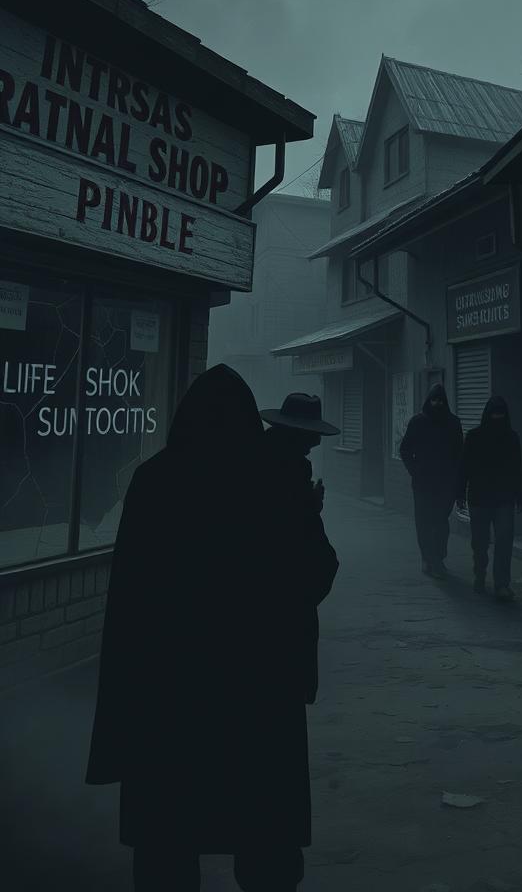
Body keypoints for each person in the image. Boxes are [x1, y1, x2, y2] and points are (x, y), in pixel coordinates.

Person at [85, 369, 339, 892]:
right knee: (264, 839)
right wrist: (309, 516)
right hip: (259, 695)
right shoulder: (275, 480)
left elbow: (130, 599)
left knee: (166, 845)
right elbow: (313, 577)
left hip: (166, 699)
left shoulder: (154, 480)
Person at [456, 394, 522, 602]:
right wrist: (459, 493)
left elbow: (517, 469)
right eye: (494, 414)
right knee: (480, 542)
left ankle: (502, 583)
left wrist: (520, 494)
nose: (497, 417)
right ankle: (480, 573)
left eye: (500, 414)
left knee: (504, 541)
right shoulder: (474, 437)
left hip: (503, 498)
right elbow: (464, 468)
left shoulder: (511, 438)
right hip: (479, 498)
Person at [399, 382, 463, 578]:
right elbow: (405, 449)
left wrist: (457, 481)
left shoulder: (453, 423)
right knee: (424, 522)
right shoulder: (417, 422)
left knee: (441, 522)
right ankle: (429, 559)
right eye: (434, 400)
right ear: (429, 401)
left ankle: (438, 558)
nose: (437, 404)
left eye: (440, 401)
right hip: (423, 483)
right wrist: (415, 470)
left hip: (446, 483)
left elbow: (460, 453)